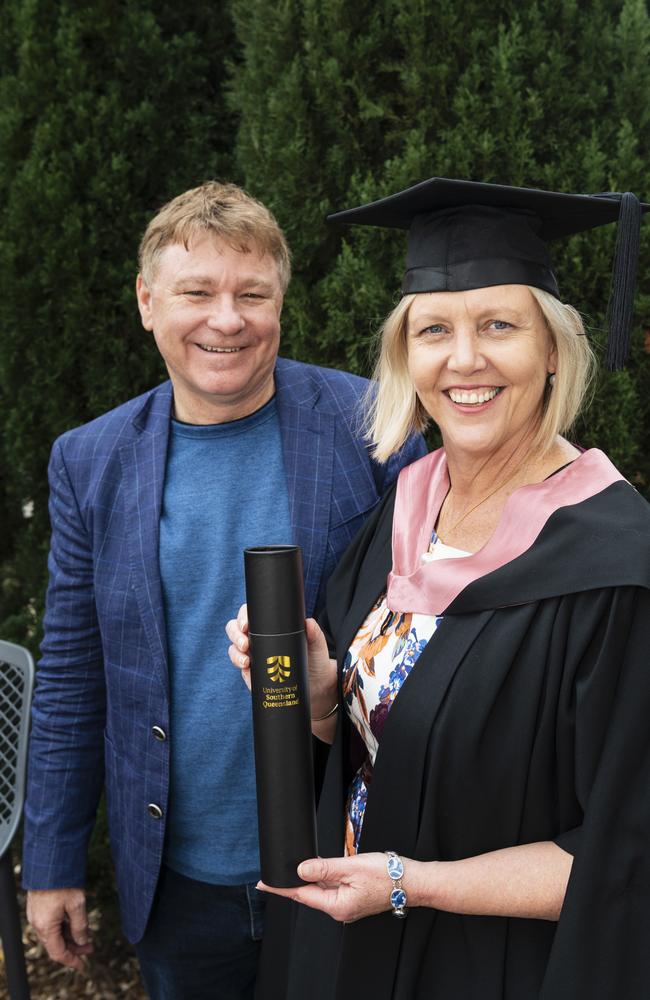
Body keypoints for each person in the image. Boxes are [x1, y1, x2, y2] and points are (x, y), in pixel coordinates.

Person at [227, 178, 650, 999]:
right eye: (434, 330)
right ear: (404, 357)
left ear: (554, 348)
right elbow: (383, 749)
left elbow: (623, 858)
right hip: (346, 950)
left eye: (500, 324)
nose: (464, 359)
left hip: (488, 969)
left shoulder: (615, 569)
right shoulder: (406, 509)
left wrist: (409, 883)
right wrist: (323, 698)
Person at [22, 180, 426, 999]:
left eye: (252, 294)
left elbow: (436, 632)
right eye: (196, 292)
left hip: (344, 856)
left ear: (281, 301)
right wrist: (54, 862)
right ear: (146, 302)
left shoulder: (374, 428)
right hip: (180, 881)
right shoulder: (90, 461)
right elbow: (71, 675)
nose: (227, 319)